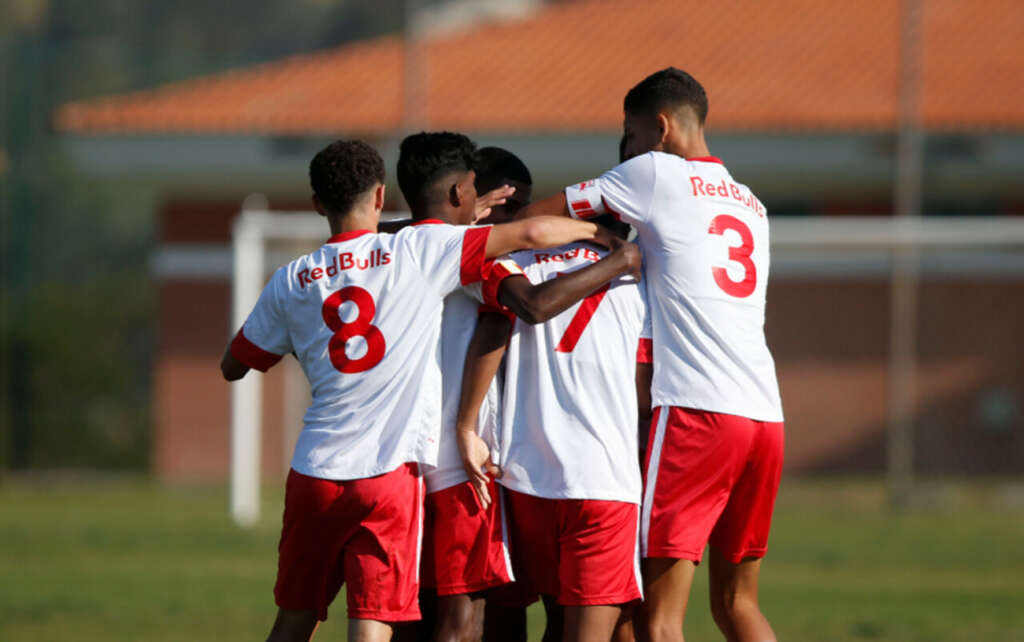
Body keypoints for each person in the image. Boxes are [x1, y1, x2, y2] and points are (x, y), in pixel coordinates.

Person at [219, 139, 617, 642]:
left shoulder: (292, 278)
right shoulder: (418, 250)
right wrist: (606, 239)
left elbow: (234, 365)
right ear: (381, 195)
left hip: (315, 470)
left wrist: (309, 346)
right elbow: (531, 256)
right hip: (398, 471)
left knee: (296, 619)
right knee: (386, 624)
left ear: (318, 203)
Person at [512, 67, 785, 642]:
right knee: (738, 605)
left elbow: (532, 220)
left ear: (658, 129)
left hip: (697, 413)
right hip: (765, 416)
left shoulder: (654, 172)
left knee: (658, 622)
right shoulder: (752, 205)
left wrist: (589, 238)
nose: (626, 152)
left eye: (629, 137)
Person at [395, 133, 641, 642]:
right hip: (487, 464)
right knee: (474, 614)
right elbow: (511, 315)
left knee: (459, 607)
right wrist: (609, 251)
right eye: (514, 205)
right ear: (471, 197)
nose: (524, 220)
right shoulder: (481, 257)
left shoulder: (413, 249)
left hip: (460, 460)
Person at [455, 206, 650, 641]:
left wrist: (466, 426)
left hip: (525, 478)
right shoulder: (642, 279)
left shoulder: (513, 264)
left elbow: (493, 329)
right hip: (604, 480)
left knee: (528, 620)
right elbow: (645, 387)